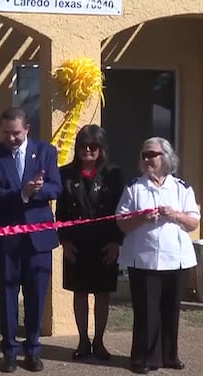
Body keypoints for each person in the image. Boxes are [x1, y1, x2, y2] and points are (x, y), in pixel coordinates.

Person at [0, 107, 61, 373]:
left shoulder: (46, 152)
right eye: (5, 133)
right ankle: (9, 350)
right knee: (6, 296)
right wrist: (22, 194)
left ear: (27, 129)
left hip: (38, 240)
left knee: (36, 295)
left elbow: (56, 187)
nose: (11, 138)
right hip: (6, 240)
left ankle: (33, 349)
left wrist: (37, 191)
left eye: (15, 133)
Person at [116, 137, 200, 375]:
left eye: (151, 154)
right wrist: (141, 217)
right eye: (143, 155)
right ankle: (142, 357)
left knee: (171, 308)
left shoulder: (182, 187)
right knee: (145, 310)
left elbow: (193, 222)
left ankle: (169, 355)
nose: (146, 159)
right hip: (143, 260)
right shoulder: (134, 188)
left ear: (165, 157)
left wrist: (175, 215)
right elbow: (121, 222)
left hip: (177, 259)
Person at [56, 125, 124, 361]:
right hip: (77, 244)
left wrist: (117, 242)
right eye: (83, 145)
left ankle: (100, 342)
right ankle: (83, 341)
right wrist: (64, 241)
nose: (87, 150)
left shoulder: (114, 174)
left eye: (93, 146)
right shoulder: (65, 174)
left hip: (105, 244)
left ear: (101, 149)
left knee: (103, 294)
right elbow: (61, 212)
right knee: (80, 293)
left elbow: (120, 211)